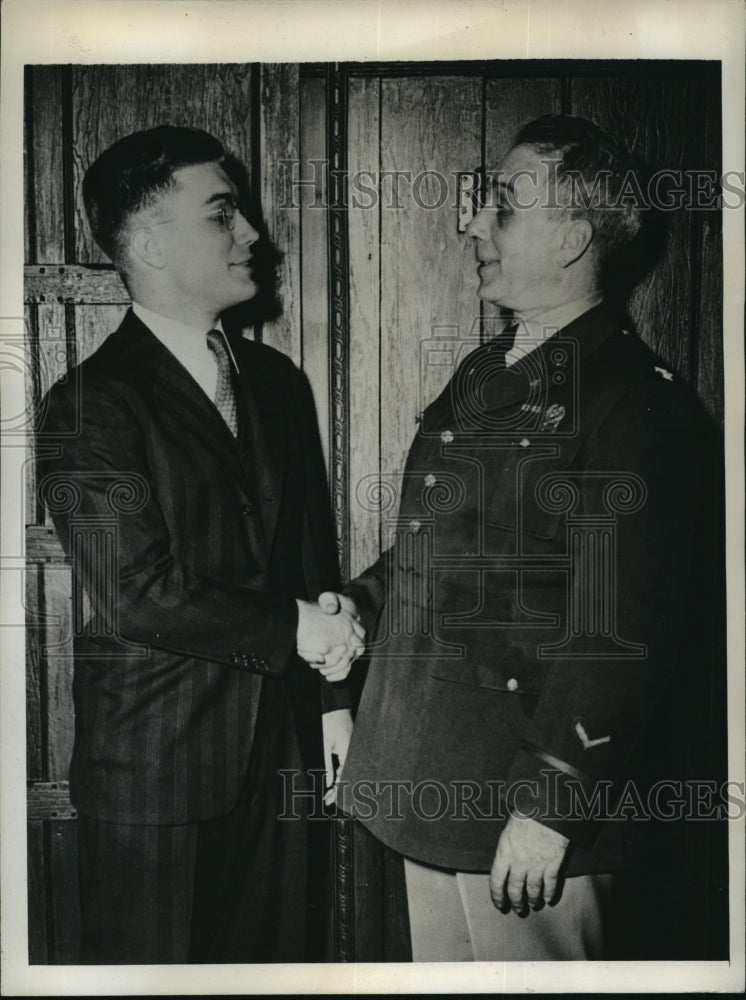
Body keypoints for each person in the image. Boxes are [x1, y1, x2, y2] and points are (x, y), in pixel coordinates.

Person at [326, 115, 722, 960]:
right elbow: (442, 548)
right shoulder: (489, 370)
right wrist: (356, 608)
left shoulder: (638, 405)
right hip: (438, 778)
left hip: (523, 808)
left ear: (575, 239)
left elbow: (627, 635)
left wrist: (552, 806)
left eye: (502, 205)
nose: (472, 224)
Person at [37, 125, 363, 964]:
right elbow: (136, 591)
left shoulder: (280, 386)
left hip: (286, 759)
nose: (252, 232)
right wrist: (297, 630)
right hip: (157, 782)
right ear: (148, 243)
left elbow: (309, 561)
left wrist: (334, 707)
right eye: (223, 213)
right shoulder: (89, 404)